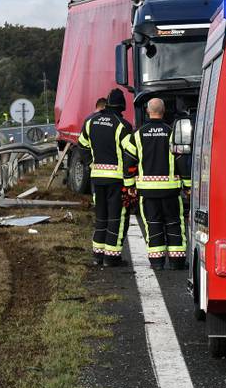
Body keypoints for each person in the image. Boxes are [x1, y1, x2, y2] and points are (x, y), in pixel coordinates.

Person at [123, 98, 189, 269]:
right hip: (171, 191)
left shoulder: (137, 135)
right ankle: (176, 262)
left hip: (147, 192)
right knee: (174, 224)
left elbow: (129, 161)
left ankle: (157, 262)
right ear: (164, 110)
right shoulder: (172, 132)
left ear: (147, 111)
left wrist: (129, 185)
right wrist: (188, 186)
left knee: (153, 225)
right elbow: (182, 161)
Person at [78, 89, 135, 266]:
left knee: (101, 216)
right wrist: (130, 181)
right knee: (117, 218)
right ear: (122, 106)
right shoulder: (122, 125)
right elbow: (131, 154)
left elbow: (82, 145)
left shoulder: (90, 121)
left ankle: (98, 255)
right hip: (116, 181)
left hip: (97, 179)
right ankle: (112, 257)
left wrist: (90, 164)